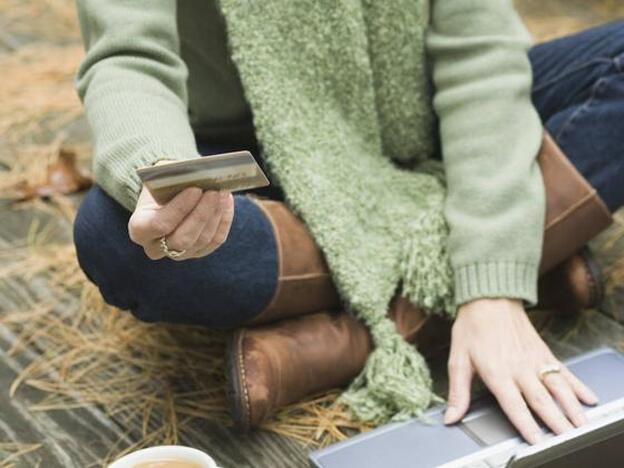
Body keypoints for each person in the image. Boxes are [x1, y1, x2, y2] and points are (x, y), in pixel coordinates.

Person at [72, 0, 623, 443]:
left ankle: (362, 334)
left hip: (419, 116)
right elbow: (128, 57)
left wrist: (493, 289)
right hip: (256, 154)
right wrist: (169, 176)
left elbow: (479, 59)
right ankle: (522, 248)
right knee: (113, 237)